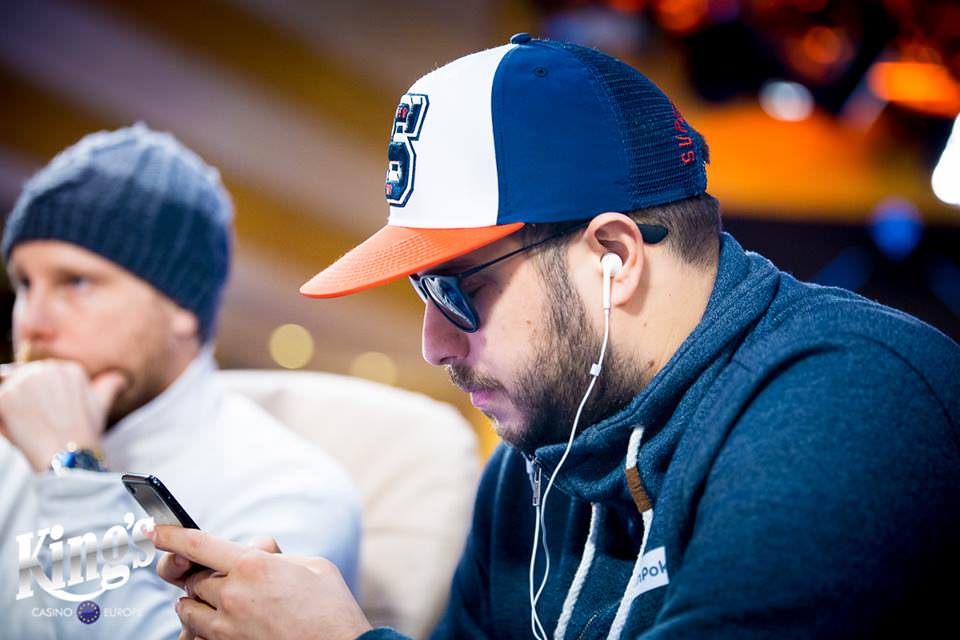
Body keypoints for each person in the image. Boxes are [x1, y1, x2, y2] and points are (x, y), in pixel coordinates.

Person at [150, 35, 960, 640]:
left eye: (457, 288)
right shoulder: (535, 459)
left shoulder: (854, 403)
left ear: (614, 257)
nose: (434, 344)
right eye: (419, 288)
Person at [0, 124, 361, 639]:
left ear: (182, 308)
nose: (31, 322)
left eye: (76, 281)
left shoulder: (293, 490)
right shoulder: (8, 448)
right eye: (23, 283)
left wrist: (71, 473)